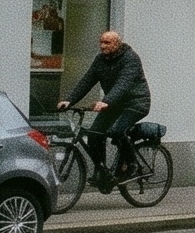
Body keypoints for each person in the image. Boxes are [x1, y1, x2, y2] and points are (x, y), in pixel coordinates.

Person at [59, 29, 150, 187]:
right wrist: (69, 100)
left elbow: (123, 84)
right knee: (94, 134)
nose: (102, 46)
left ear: (117, 43)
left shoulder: (130, 58)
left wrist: (106, 101)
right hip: (114, 104)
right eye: (101, 42)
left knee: (117, 131)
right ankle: (101, 171)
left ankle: (132, 164)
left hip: (135, 104)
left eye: (107, 42)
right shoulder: (100, 60)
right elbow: (87, 80)